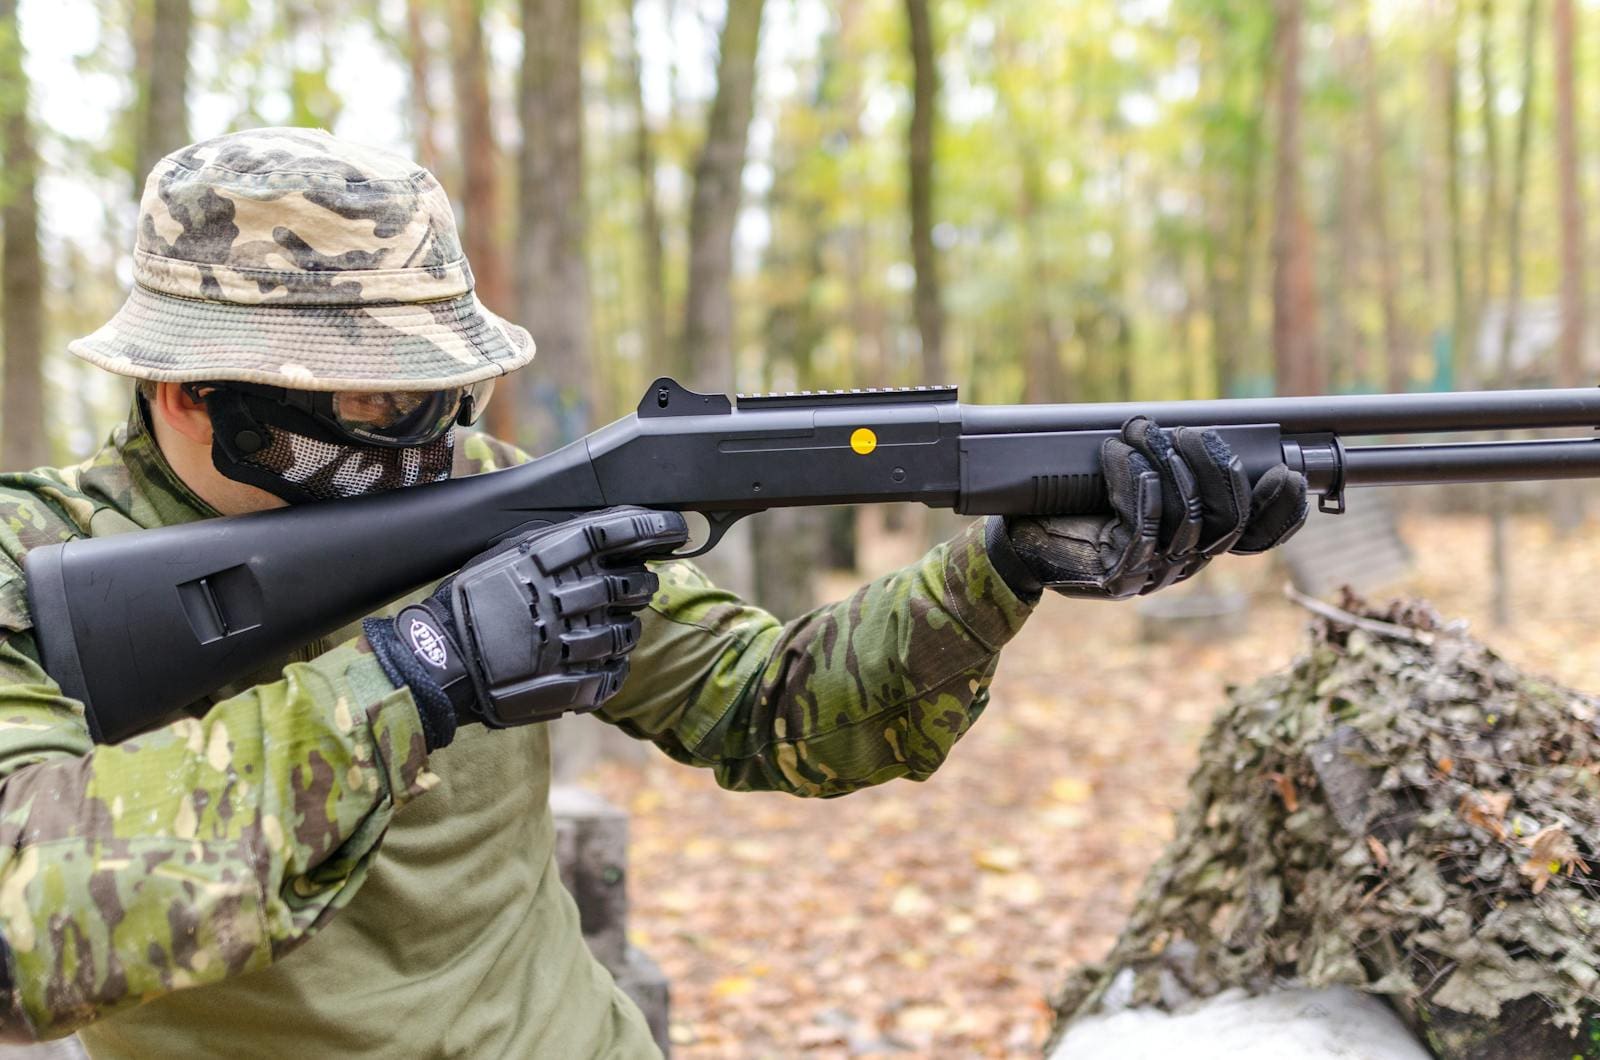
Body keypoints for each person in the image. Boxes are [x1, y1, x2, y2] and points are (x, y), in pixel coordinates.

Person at [0, 128, 1307, 1056]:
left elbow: (787, 711)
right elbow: (33, 927)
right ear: (181, 391)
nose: (409, 470)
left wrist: (1001, 569)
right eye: (347, 425)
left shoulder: (497, 496)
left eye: (438, 415)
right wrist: (415, 674)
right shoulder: (36, 568)